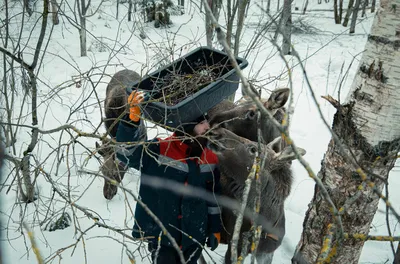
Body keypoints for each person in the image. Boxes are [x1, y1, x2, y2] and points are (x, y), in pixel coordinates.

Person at [115, 91, 222, 264]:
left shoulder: (210, 157)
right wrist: (131, 120)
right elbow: (126, 154)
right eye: (202, 122)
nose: (207, 127)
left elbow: (213, 197)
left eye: (207, 121)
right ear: (188, 125)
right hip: (162, 238)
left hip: (195, 236)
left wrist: (214, 228)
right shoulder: (159, 150)